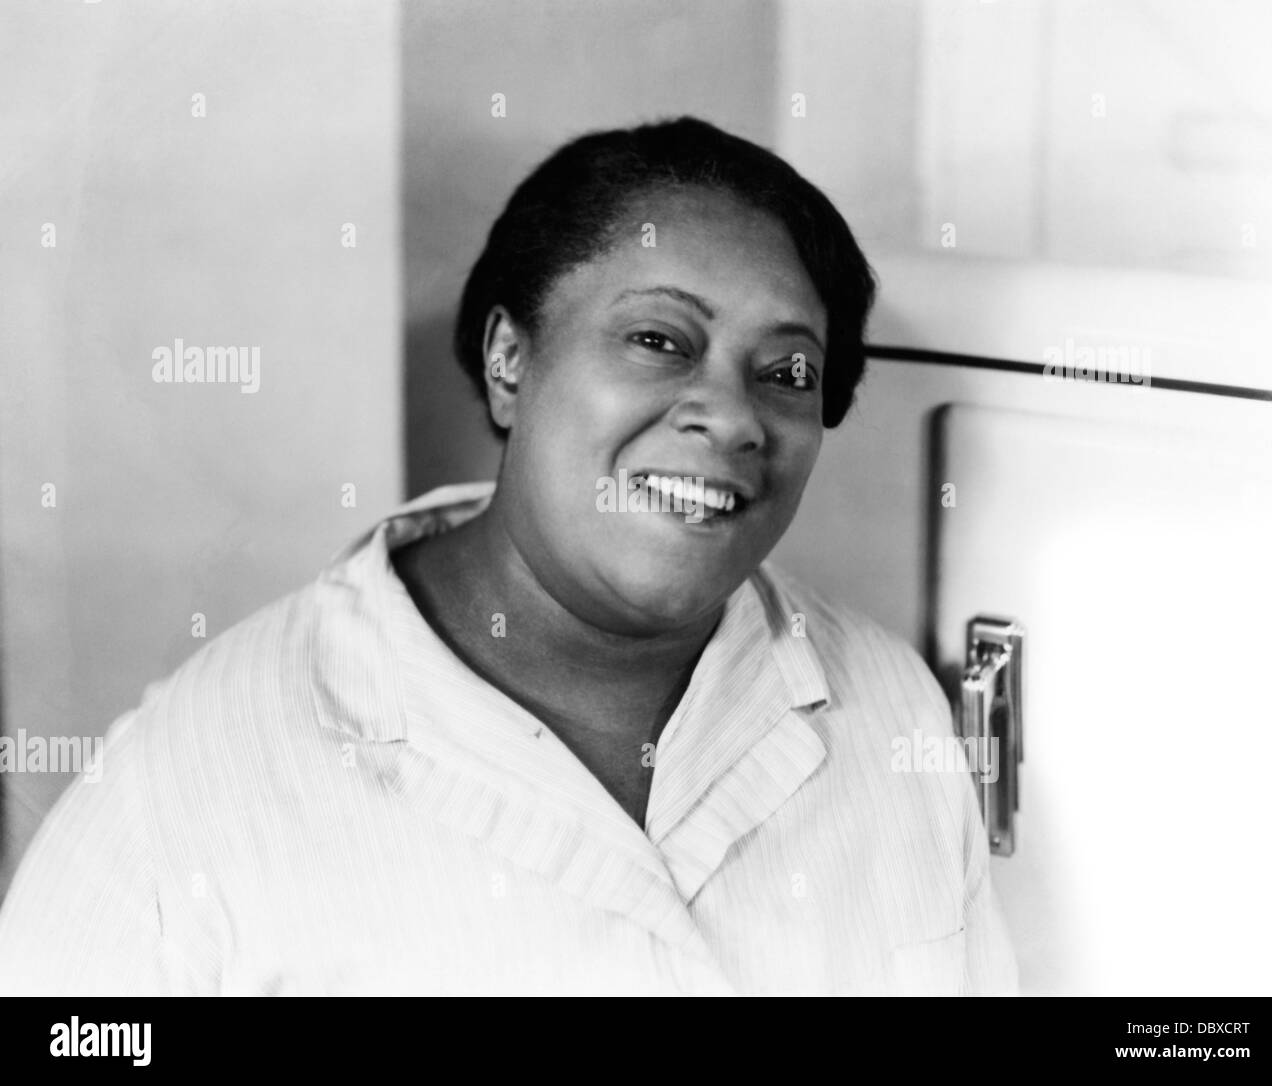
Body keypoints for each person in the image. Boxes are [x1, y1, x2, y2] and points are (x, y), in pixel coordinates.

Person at [0, 117, 1017, 995]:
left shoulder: (887, 713)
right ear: (508, 361)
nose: (731, 414)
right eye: (659, 340)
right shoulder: (194, 780)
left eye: (786, 371)